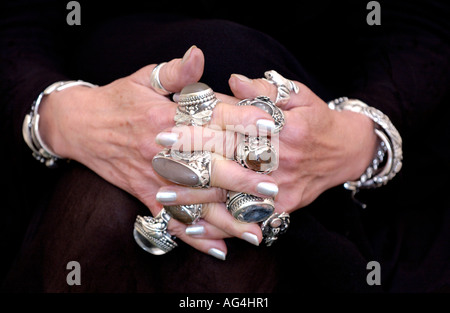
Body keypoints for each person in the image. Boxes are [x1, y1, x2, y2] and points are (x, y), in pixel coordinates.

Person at [0, 0, 448, 294]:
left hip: (324, 154)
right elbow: (19, 21)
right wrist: (64, 119)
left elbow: (419, 25)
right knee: (100, 217)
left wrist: (352, 142)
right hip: (82, 122)